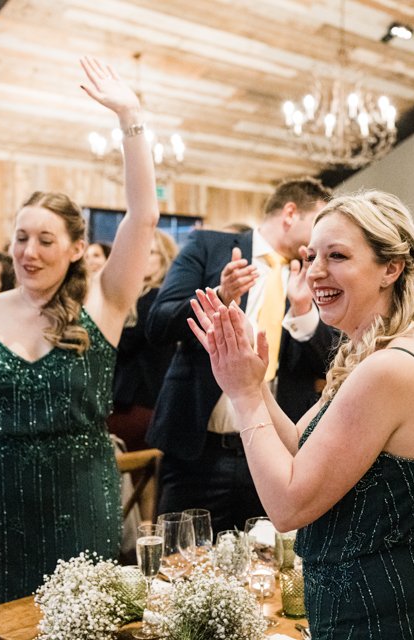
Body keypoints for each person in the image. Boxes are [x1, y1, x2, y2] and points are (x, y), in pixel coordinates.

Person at [187, 190, 414, 640]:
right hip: (372, 612)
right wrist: (253, 377)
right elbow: (296, 449)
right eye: (311, 255)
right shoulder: (368, 355)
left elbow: (287, 507)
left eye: (337, 255)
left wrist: (244, 397)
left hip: (394, 621)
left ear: (391, 268)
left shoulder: (388, 369)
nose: (315, 271)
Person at [0, 56, 159, 622]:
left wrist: (130, 116)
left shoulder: (102, 306)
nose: (28, 252)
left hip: (80, 508)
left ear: (77, 248)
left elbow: (145, 214)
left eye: (46, 241)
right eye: (20, 238)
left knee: (78, 627)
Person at [145, 177, 337, 534]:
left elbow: (329, 361)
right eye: (319, 221)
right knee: (183, 564)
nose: (323, 236)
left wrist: (302, 312)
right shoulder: (209, 245)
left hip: (274, 454)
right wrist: (219, 295)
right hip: (198, 450)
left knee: (266, 569)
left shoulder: (316, 271)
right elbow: (158, 324)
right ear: (291, 213)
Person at [107, 228, 179, 451]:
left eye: (150, 252)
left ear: (164, 259)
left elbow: (123, 342)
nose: (139, 256)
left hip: (136, 403)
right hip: (144, 401)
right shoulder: (145, 296)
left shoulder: (152, 297)